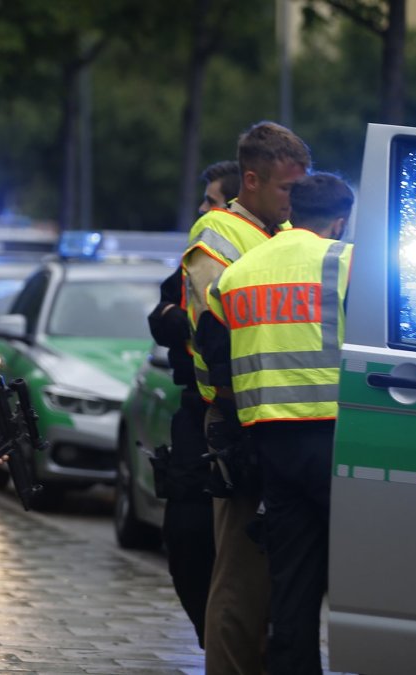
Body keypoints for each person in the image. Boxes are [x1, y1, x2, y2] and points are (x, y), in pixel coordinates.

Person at [197, 172, 354, 674]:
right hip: (338, 438)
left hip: (270, 444)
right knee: (360, 573)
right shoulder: (346, 263)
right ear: (340, 221)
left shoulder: (239, 273)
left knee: (292, 583)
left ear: (290, 213)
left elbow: (210, 354)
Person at [181, 121, 310, 675]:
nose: (294, 199)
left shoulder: (278, 232)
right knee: (241, 580)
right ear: (251, 180)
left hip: (278, 419)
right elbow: (219, 334)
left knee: (271, 579)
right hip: (238, 418)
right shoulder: (218, 234)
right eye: (286, 188)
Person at [146, 159, 239, 647]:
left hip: (242, 417)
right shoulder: (195, 260)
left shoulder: (249, 261)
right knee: (184, 535)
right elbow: (162, 314)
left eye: (211, 200)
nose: (202, 210)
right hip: (194, 410)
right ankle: (213, 638)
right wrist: (173, 320)